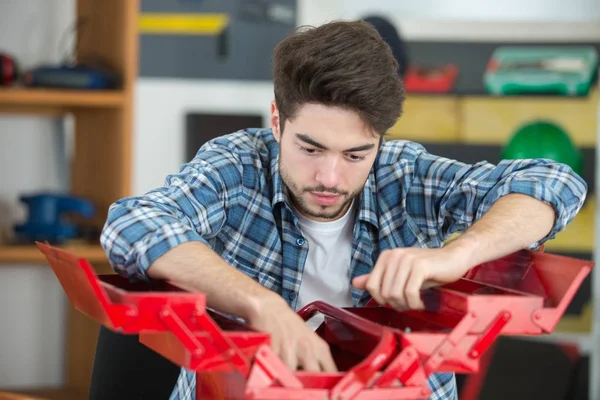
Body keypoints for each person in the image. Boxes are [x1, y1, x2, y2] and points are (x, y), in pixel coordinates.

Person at [100, 20, 587, 400]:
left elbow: (554, 183)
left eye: (356, 154)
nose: (331, 178)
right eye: (310, 149)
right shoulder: (236, 164)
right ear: (277, 119)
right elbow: (133, 223)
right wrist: (262, 306)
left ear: (380, 139)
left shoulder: (404, 174)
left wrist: (456, 256)